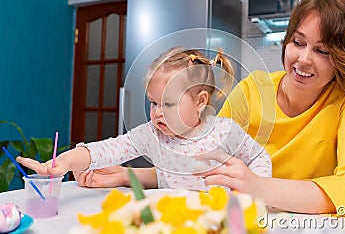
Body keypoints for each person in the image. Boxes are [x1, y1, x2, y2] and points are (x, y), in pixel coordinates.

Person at [69, 0, 345, 216]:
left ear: (344, 60)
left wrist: (260, 187)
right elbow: (204, 168)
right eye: (298, 42)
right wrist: (129, 176)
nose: (303, 59)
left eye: (323, 51)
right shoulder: (252, 90)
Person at [17, 47, 272, 191]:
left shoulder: (224, 130)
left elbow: (260, 156)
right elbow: (109, 148)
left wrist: (255, 189)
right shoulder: (153, 133)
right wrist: (63, 161)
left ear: (200, 101)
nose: (158, 112)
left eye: (168, 104)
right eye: (153, 103)